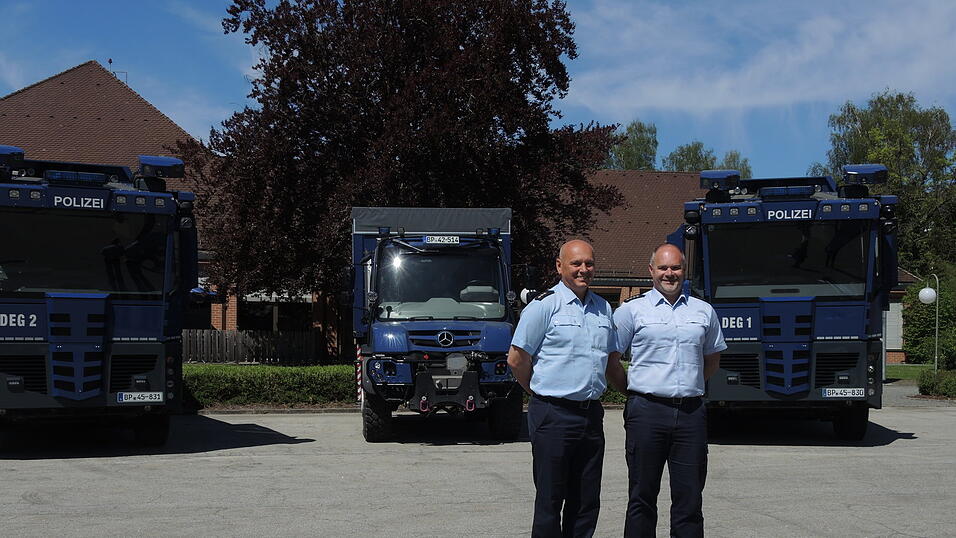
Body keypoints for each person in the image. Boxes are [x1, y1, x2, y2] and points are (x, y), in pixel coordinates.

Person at [609, 243, 726, 538]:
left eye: (675, 267)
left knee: (689, 498)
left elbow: (712, 359)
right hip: (646, 412)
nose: (669, 273)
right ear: (651, 271)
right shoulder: (631, 312)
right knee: (641, 496)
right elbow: (611, 361)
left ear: (684, 271)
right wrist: (634, 394)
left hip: (690, 414)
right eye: (663, 268)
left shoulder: (704, 311)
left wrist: (690, 384)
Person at [507, 239, 620, 538]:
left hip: (591, 415)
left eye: (589, 263)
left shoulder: (603, 309)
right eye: (576, 263)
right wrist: (536, 391)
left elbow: (610, 359)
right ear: (560, 266)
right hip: (553, 414)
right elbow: (517, 358)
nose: (584, 269)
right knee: (550, 500)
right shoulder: (544, 306)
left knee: (585, 501)